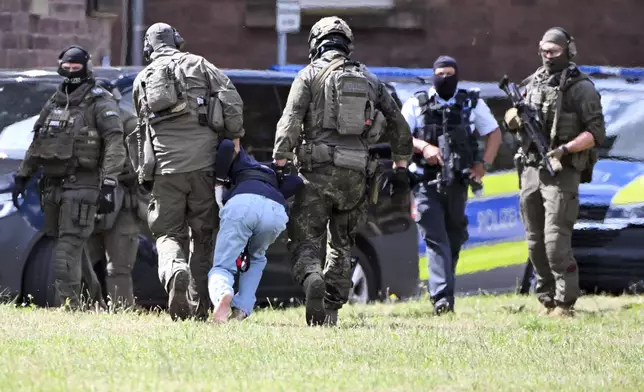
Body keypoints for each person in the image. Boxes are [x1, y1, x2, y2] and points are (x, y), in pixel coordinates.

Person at [273, 16, 413, 326]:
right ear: (347, 45)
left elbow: (290, 121)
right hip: (356, 177)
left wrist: (280, 162)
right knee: (342, 243)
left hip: (316, 173)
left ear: (316, 44)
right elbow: (399, 126)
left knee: (306, 239)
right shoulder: (370, 80)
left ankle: (312, 279)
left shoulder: (308, 76)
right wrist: (401, 167)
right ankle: (331, 309)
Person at [132, 22, 244, 321]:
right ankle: (199, 306)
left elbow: (141, 129)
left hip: (165, 171)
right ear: (177, 41)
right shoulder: (199, 64)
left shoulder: (142, 78)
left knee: (168, 234)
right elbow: (231, 100)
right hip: (204, 167)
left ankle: (174, 270)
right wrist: (233, 138)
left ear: (148, 48)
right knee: (203, 236)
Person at [11, 45, 126, 309]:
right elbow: (38, 140)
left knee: (66, 249)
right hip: (53, 186)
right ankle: (93, 301)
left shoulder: (100, 100)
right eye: (67, 67)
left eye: (77, 68)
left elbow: (114, 142)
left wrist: (109, 183)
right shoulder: (55, 100)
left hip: (83, 186)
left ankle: (69, 308)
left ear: (87, 68)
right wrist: (23, 175)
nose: (71, 72)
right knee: (70, 248)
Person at [504, 27, 605, 317]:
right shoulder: (532, 83)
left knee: (555, 240)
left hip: (562, 170)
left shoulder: (581, 87)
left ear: (568, 51)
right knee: (535, 241)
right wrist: (513, 117)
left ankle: (565, 301)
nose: (548, 57)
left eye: (554, 52)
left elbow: (596, 133)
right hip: (531, 169)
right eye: (544, 51)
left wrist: (566, 149)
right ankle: (546, 297)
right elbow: (511, 120)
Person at [401, 55, 502, 315]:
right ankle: (442, 299)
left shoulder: (470, 103)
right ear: (433, 75)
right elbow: (399, 135)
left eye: (450, 74)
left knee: (454, 237)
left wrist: (484, 164)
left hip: (458, 182)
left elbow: (493, 132)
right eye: (440, 74)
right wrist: (424, 147)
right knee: (436, 238)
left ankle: (444, 291)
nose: (445, 78)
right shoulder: (417, 103)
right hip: (425, 182)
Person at [208, 139, 303, 323]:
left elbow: (228, 146)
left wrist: (219, 181)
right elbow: (297, 181)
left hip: (242, 203)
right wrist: (280, 173)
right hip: (274, 210)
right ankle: (242, 308)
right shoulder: (274, 171)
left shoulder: (242, 158)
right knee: (256, 257)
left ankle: (223, 294)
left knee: (223, 265)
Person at [85, 79, 143, 309]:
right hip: (89, 199)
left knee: (118, 266)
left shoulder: (129, 122)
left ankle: (122, 309)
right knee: (85, 260)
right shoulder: (84, 120)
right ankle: (90, 306)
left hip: (122, 202)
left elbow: (143, 163)